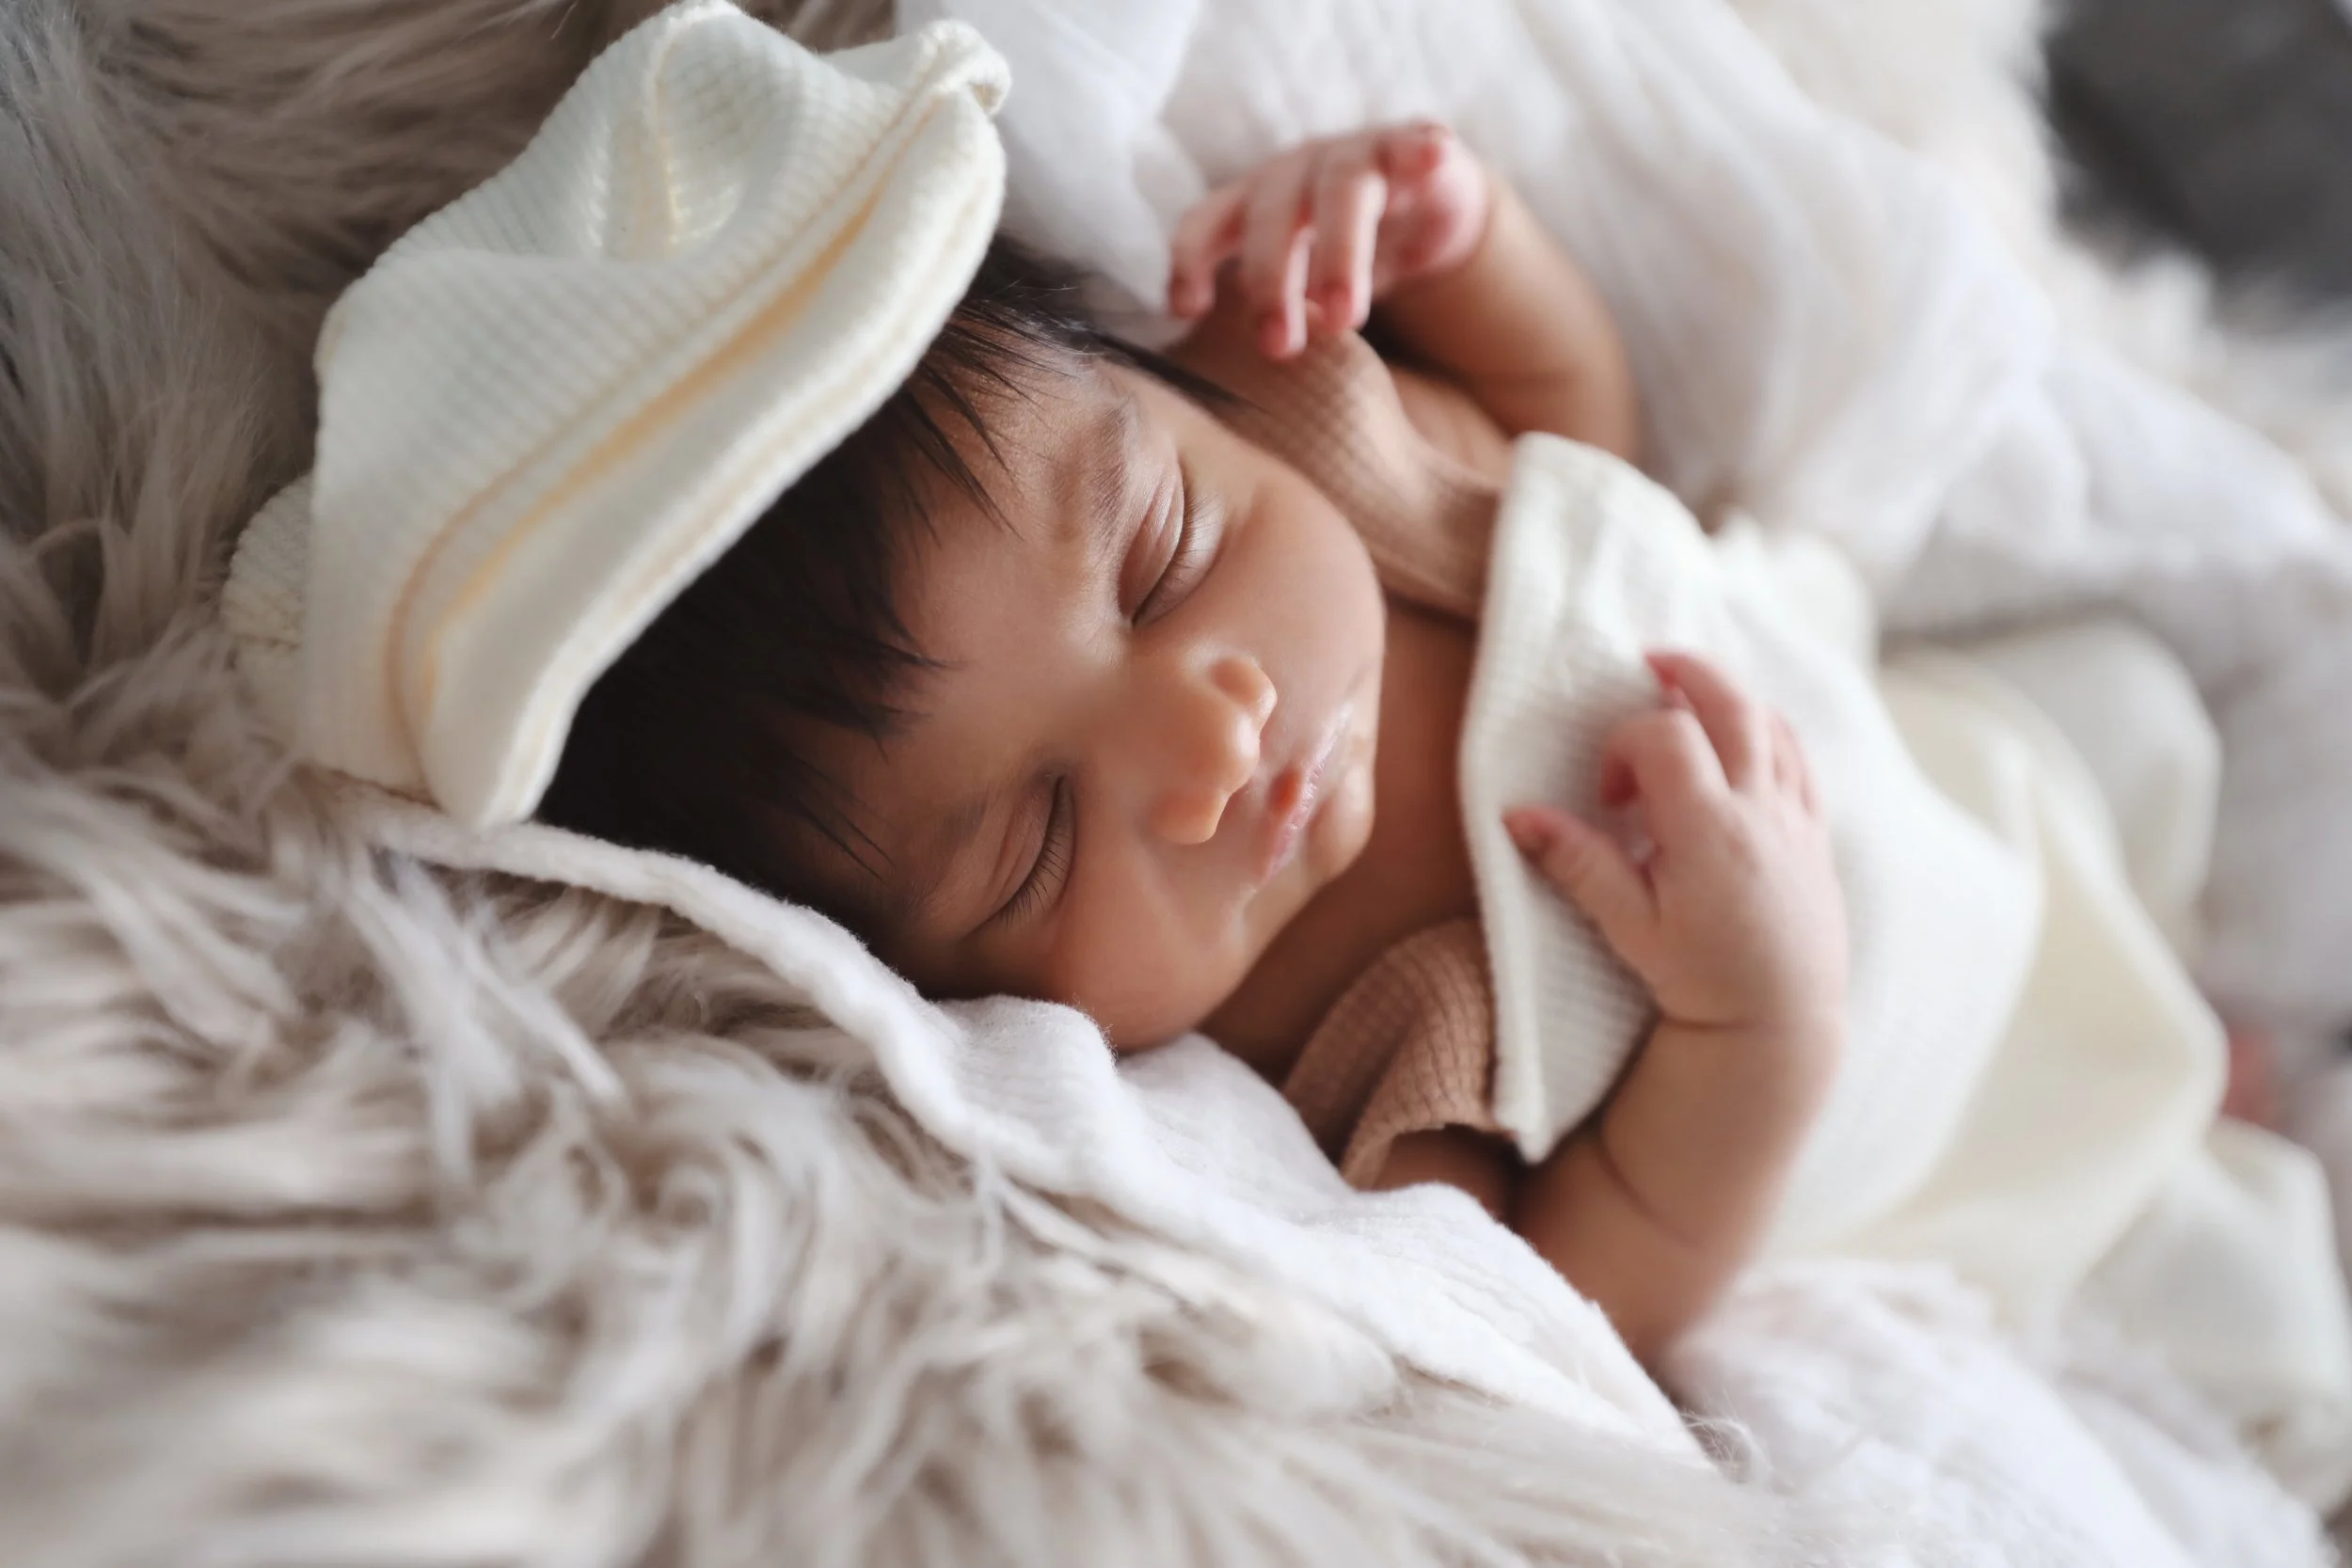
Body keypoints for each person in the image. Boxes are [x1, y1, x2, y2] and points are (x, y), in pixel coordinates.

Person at [540, 120, 1848, 1368]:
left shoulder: (1328, 416)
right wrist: (1764, 1025)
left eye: (1163, 557)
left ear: (1172, 390)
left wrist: (1465, 240)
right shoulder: (1330, 1080)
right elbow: (1597, 1289)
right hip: (1931, 1084)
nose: (1212, 744)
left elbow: (1583, 447)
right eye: (1041, 839)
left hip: (1864, 676)